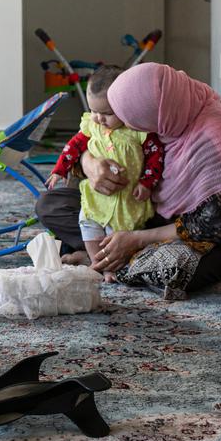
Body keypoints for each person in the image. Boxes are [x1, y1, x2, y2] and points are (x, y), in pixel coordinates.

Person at [36, 62, 221, 300]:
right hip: (136, 208)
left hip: (183, 230)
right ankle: (110, 255)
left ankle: (101, 257)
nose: (129, 126)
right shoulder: (170, 109)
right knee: (50, 204)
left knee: (182, 270)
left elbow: (210, 228)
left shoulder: (212, 141)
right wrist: (91, 164)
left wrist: (136, 239)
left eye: (132, 120)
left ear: (153, 112)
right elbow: (93, 142)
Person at [45, 65, 164, 282]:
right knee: (85, 222)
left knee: (116, 233)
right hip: (95, 198)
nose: (99, 118)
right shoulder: (91, 126)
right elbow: (73, 147)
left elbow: (155, 157)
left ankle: (107, 265)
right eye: (94, 111)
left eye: (107, 113)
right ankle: (95, 261)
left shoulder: (139, 130)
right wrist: (59, 170)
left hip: (126, 201)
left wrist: (147, 183)